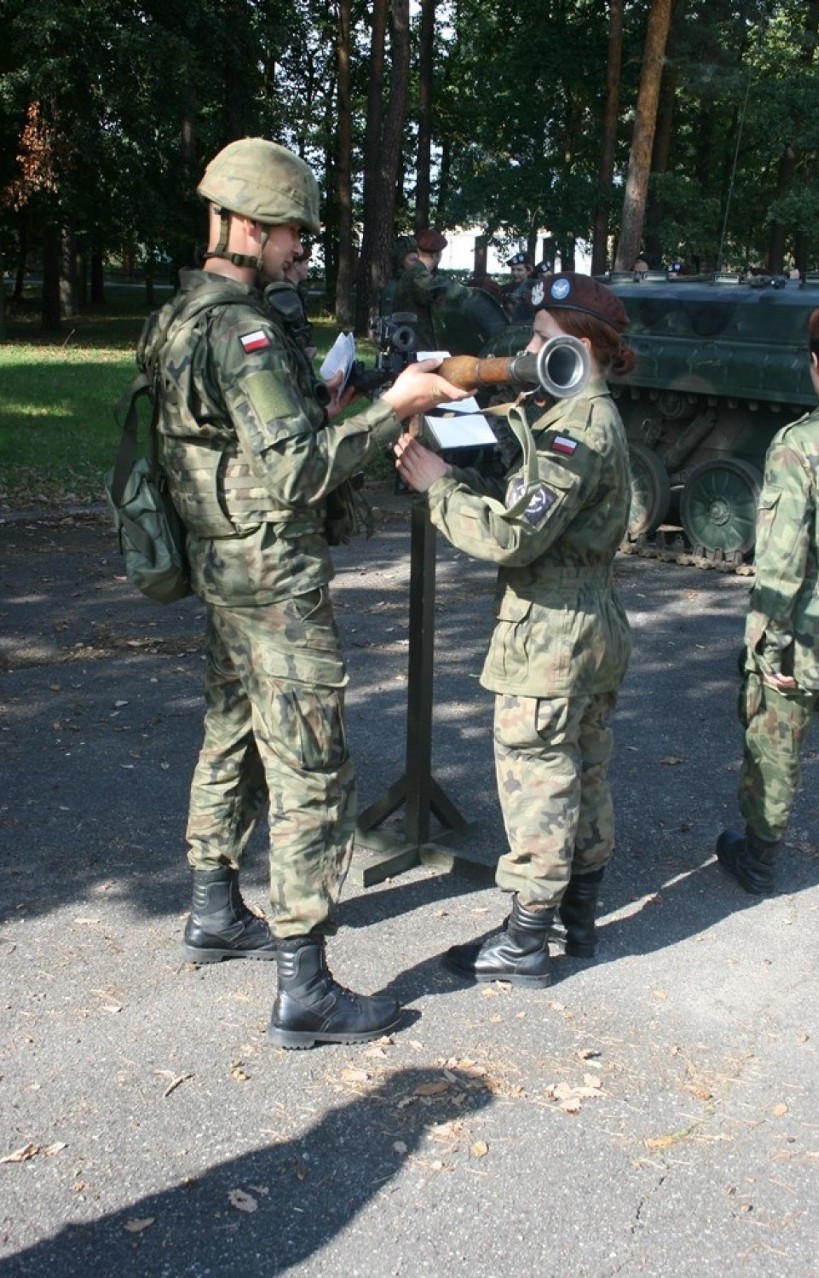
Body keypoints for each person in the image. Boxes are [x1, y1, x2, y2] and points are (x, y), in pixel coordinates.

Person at [139, 137, 467, 1048]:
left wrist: (324, 399)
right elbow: (294, 475)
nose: (300, 249)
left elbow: (234, 443)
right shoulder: (241, 330)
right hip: (273, 580)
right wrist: (392, 408)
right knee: (312, 768)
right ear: (244, 224)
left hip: (223, 567)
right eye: (290, 232)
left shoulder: (180, 316)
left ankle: (213, 911)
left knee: (233, 735)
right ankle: (306, 984)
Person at [394, 273, 636, 987]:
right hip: (588, 626)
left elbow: (515, 538)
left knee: (540, 778)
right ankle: (579, 917)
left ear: (581, 344)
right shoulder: (571, 415)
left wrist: (435, 484)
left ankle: (527, 939)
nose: (528, 349)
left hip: (552, 636)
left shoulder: (581, 428)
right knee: (584, 769)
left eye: (540, 337)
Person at [715, 302, 819, 965]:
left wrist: (766, 645)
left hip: (810, 633)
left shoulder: (800, 444)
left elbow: (780, 559)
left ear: (816, 364)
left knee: (774, 739)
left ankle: (761, 858)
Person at [392, 228, 450, 349]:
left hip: (407, 343)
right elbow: (433, 291)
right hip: (416, 348)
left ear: (418, 251)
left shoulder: (413, 273)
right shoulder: (418, 275)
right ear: (437, 255)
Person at [501, 251, 534, 322]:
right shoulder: (506, 290)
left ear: (528, 271)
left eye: (519, 270)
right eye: (513, 270)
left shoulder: (535, 288)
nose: (515, 273)